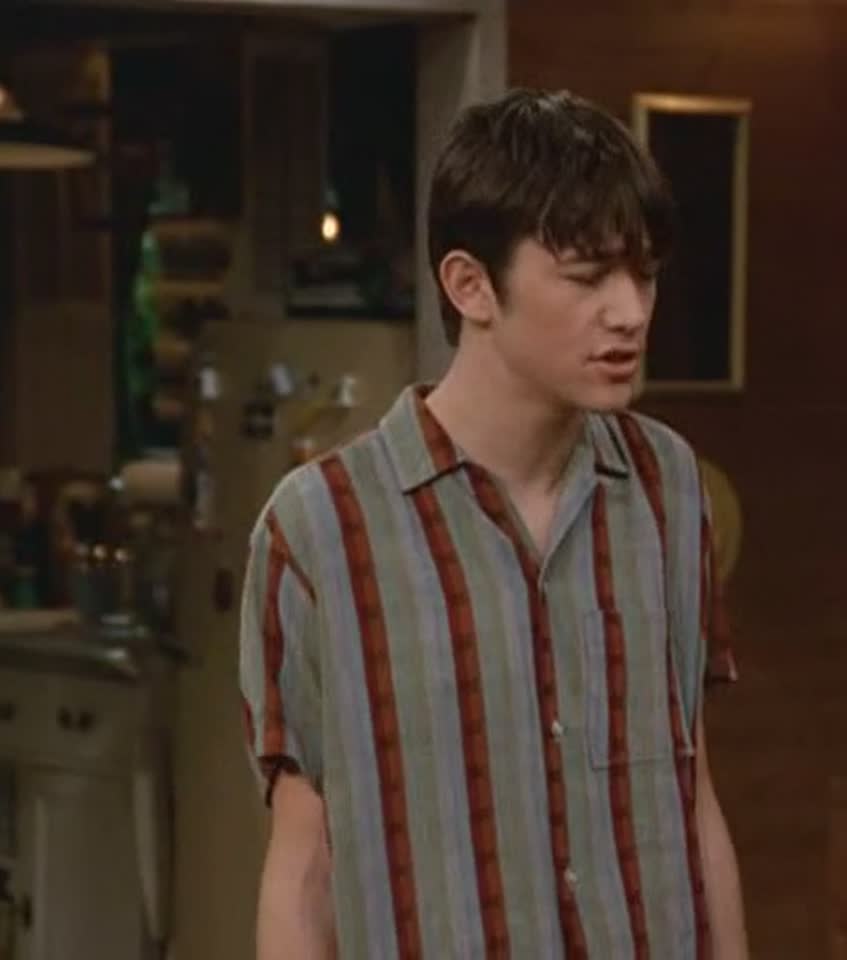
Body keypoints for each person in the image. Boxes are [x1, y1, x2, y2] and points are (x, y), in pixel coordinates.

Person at [239, 87, 748, 959]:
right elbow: (305, 867)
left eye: (645, 274)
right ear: (470, 285)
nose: (630, 310)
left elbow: (692, 798)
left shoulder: (667, 487)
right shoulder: (322, 530)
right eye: (587, 277)